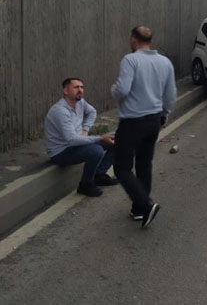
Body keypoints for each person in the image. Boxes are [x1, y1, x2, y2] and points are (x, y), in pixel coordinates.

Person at [112, 26, 176, 228]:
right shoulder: (165, 62)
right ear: (151, 40)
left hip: (133, 122)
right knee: (144, 164)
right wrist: (165, 113)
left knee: (121, 168)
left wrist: (113, 90)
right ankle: (139, 210)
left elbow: (122, 89)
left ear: (133, 40)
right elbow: (170, 94)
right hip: (154, 120)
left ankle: (146, 204)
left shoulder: (130, 60)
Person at [45, 78, 117, 197]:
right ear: (65, 91)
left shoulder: (80, 103)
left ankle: (99, 175)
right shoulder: (60, 111)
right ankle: (85, 185)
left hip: (77, 145)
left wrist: (85, 130)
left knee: (117, 141)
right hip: (61, 152)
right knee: (96, 151)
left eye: (81, 87)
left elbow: (92, 112)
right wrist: (99, 138)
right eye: (76, 87)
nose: (80, 90)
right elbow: (71, 139)